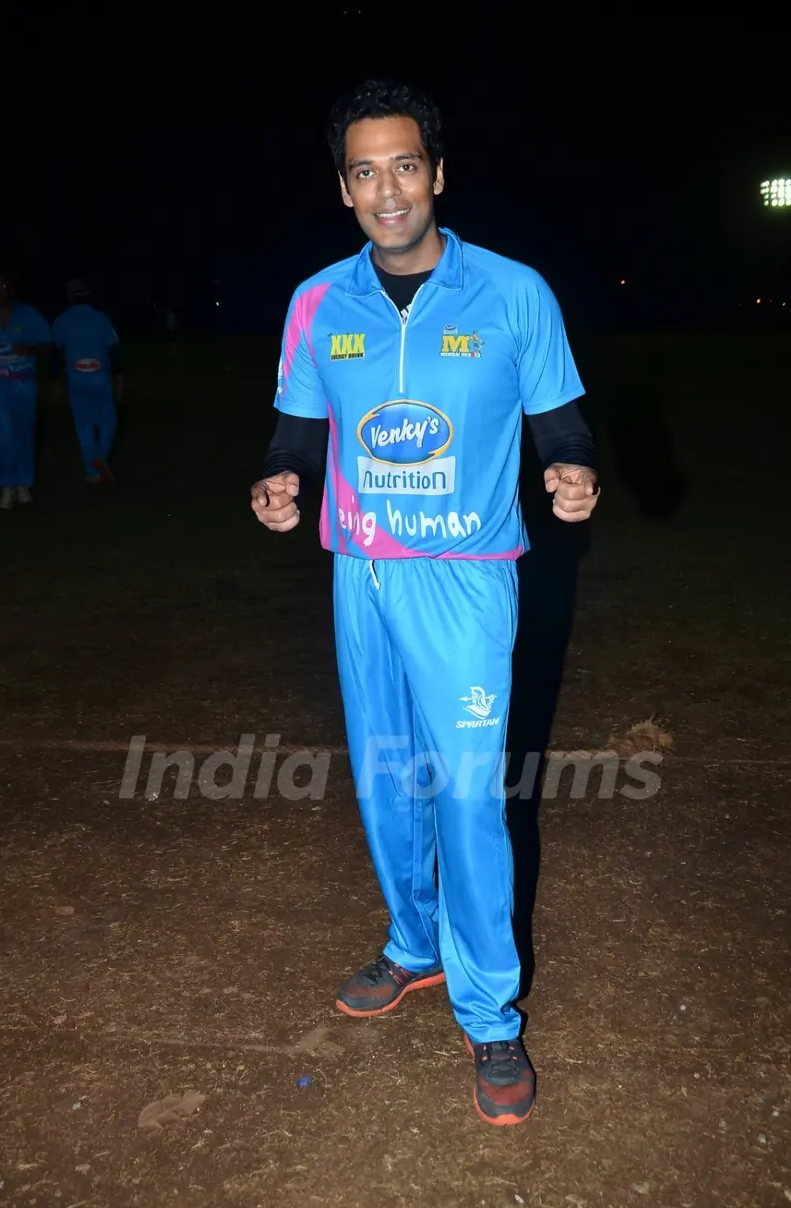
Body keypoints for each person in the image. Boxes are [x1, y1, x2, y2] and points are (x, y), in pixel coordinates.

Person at [251, 79, 600, 1127]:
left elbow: (562, 419)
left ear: (437, 174)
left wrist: (570, 469)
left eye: (405, 164)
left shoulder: (512, 293)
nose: (387, 187)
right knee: (384, 782)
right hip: (359, 573)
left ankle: (490, 1011)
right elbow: (296, 429)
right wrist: (278, 481)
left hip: (464, 574)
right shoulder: (318, 300)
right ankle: (413, 944)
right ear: (344, 188)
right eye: (364, 170)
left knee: (465, 794)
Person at [0, 271, 52, 508]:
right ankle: (6, 486)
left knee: (24, 431)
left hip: (25, 382)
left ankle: (23, 484)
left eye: (1, 286)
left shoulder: (29, 315)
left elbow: (48, 346)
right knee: (4, 435)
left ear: (12, 290)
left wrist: (30, 350)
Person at [52, 279, 123, 484]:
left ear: (69, 297)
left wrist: (56, 382)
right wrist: (119, 378)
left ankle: (93, 470)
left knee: (84, 426)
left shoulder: (62, 321)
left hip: (76, 381)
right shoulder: (102, 319)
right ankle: (100, 458)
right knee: (108, 421)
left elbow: (55, 354)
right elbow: (114, 350)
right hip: (100, 379)